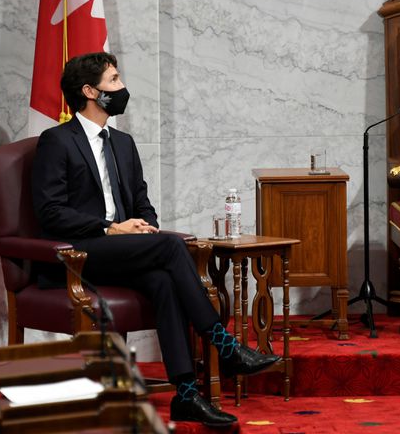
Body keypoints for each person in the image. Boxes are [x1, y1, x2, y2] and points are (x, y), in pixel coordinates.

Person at [31, 52, 278, 427]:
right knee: (171, 246)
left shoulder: (124, 143)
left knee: (163, 278)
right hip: (80, 253)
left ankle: (186, 394)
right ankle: (224, 345)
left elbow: (143, 203)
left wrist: (144, 225)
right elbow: (50, 212)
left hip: (123, 251)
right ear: (89, 91)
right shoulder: (57, 141)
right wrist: (111, 228)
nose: (121, 87)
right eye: (113, 80)